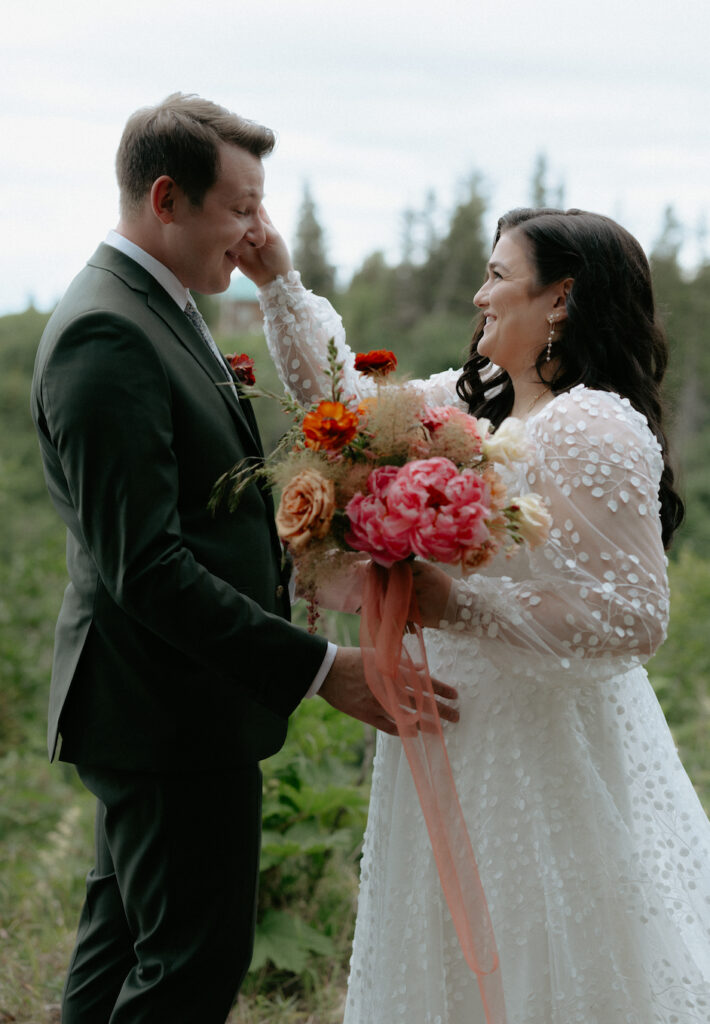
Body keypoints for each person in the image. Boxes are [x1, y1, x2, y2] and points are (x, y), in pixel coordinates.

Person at [30, 93, 460, 1024]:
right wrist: (318, 669)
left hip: (167, 703)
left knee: (120, 955)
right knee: (189, 968)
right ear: (165, 200)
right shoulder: (108, 334)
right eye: (240, 207)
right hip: (164, 711)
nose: (255, 229)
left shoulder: (159, 305)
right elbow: (144, 566)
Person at [243, 207, 710, 1022]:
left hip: (538, 747)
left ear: (560, 300)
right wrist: (279, 280)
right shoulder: (473, 416)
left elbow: (636, 616)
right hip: (449, 731)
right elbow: (345, 409)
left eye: (498, 275)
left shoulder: (590, 422)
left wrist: (459, 603)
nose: (478, 292)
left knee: (542, 946)